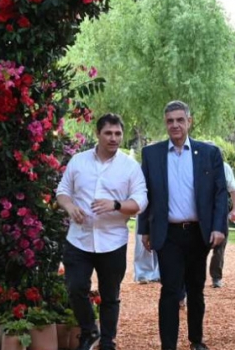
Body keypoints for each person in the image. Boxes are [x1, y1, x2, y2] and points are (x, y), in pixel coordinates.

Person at [138, 101, 228, 350]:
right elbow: (145, 193)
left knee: (196, 289)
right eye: (170, 121)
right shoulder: (152, 154)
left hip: (199, 233)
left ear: (189, 121)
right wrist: (144, 229)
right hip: (168, 234)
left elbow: (221, 193)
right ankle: (168, 345)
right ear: (165, 123)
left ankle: (196, 340)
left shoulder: (209, 153)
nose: (175, 125)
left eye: (180, 120)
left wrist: (218, 227)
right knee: (170, 289)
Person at [56, 113, 148, 350]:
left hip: (112, 241)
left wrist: (116, 205)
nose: (113, 138)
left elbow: (140, 201)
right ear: (98, 134)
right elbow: (62, 191)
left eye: (118, 133)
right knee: (75, 287)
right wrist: (70, 207)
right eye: (108, 133)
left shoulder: (130, 167)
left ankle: (107, 342)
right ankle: (89, 330)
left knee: (110, 296)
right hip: (79, 238)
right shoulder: (78, 161)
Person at [208, 160, 235, 288]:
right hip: (199, 212)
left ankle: (216, 277)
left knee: (220, 246)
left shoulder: (224, 167)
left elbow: (233, 190)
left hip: (220, 210)